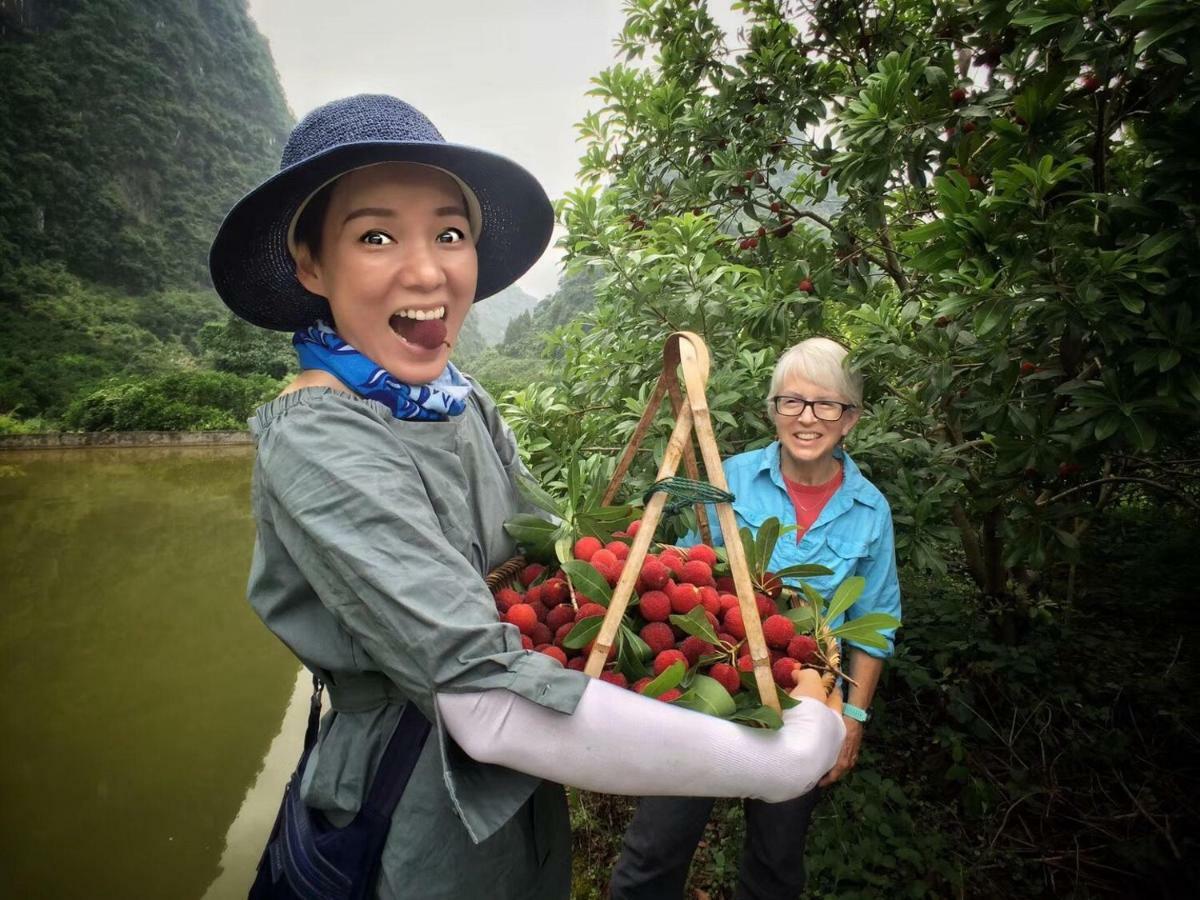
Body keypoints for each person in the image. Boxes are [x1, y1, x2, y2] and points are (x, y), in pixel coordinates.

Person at [209, 95, 847, 899]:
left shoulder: (461, 401)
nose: (428, 270)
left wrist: (709, 597)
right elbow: (482, 699)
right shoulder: (318, 439)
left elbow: (557, 556)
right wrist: (786, 756)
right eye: (376, 236)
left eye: (450, 233)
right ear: (310, 265)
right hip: (407, 804)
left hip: (519, 800)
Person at [610, 337, 902, 900]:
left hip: (807, 701)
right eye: (792, 402)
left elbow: (877, 622)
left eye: (827, 405)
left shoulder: (871, 510)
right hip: (708, 688)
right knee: (654, 851)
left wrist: (854, 717)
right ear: (773, 410)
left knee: (775, 867)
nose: (807, 418)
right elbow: (683, 575)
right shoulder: (727, 477)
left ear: (851, 419)